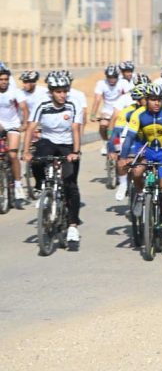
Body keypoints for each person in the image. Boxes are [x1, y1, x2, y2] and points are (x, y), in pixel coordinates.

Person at [119, 84, 162, 250]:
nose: (156, 103)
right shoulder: (138, 114)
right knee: (136, 172)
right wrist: (123, 157)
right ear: (146, 100)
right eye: (153, 100)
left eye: (159, 99)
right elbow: (129, 137)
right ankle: (140, 195)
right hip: (145, 151)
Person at [24, 73, 83, 248]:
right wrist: (25, 152)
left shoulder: (73, 103)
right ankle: (42, 186)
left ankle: (72, 226)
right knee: (36, 160)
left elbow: (76, 129)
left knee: (70, 184)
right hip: (48, 141)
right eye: (58, 91)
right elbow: (31, 128)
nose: (62, 95)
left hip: (67, 144)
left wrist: (75, 152)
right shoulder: (41, 103)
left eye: (65, 91)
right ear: (51, 92)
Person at [0, 65, 27, 200]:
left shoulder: (14, 92)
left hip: (13, 125)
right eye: (1, 80)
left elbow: (24, 108)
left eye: (6, 79)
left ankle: (17, 184)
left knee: (12, 154)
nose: (4, 82)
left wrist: (24, 124)